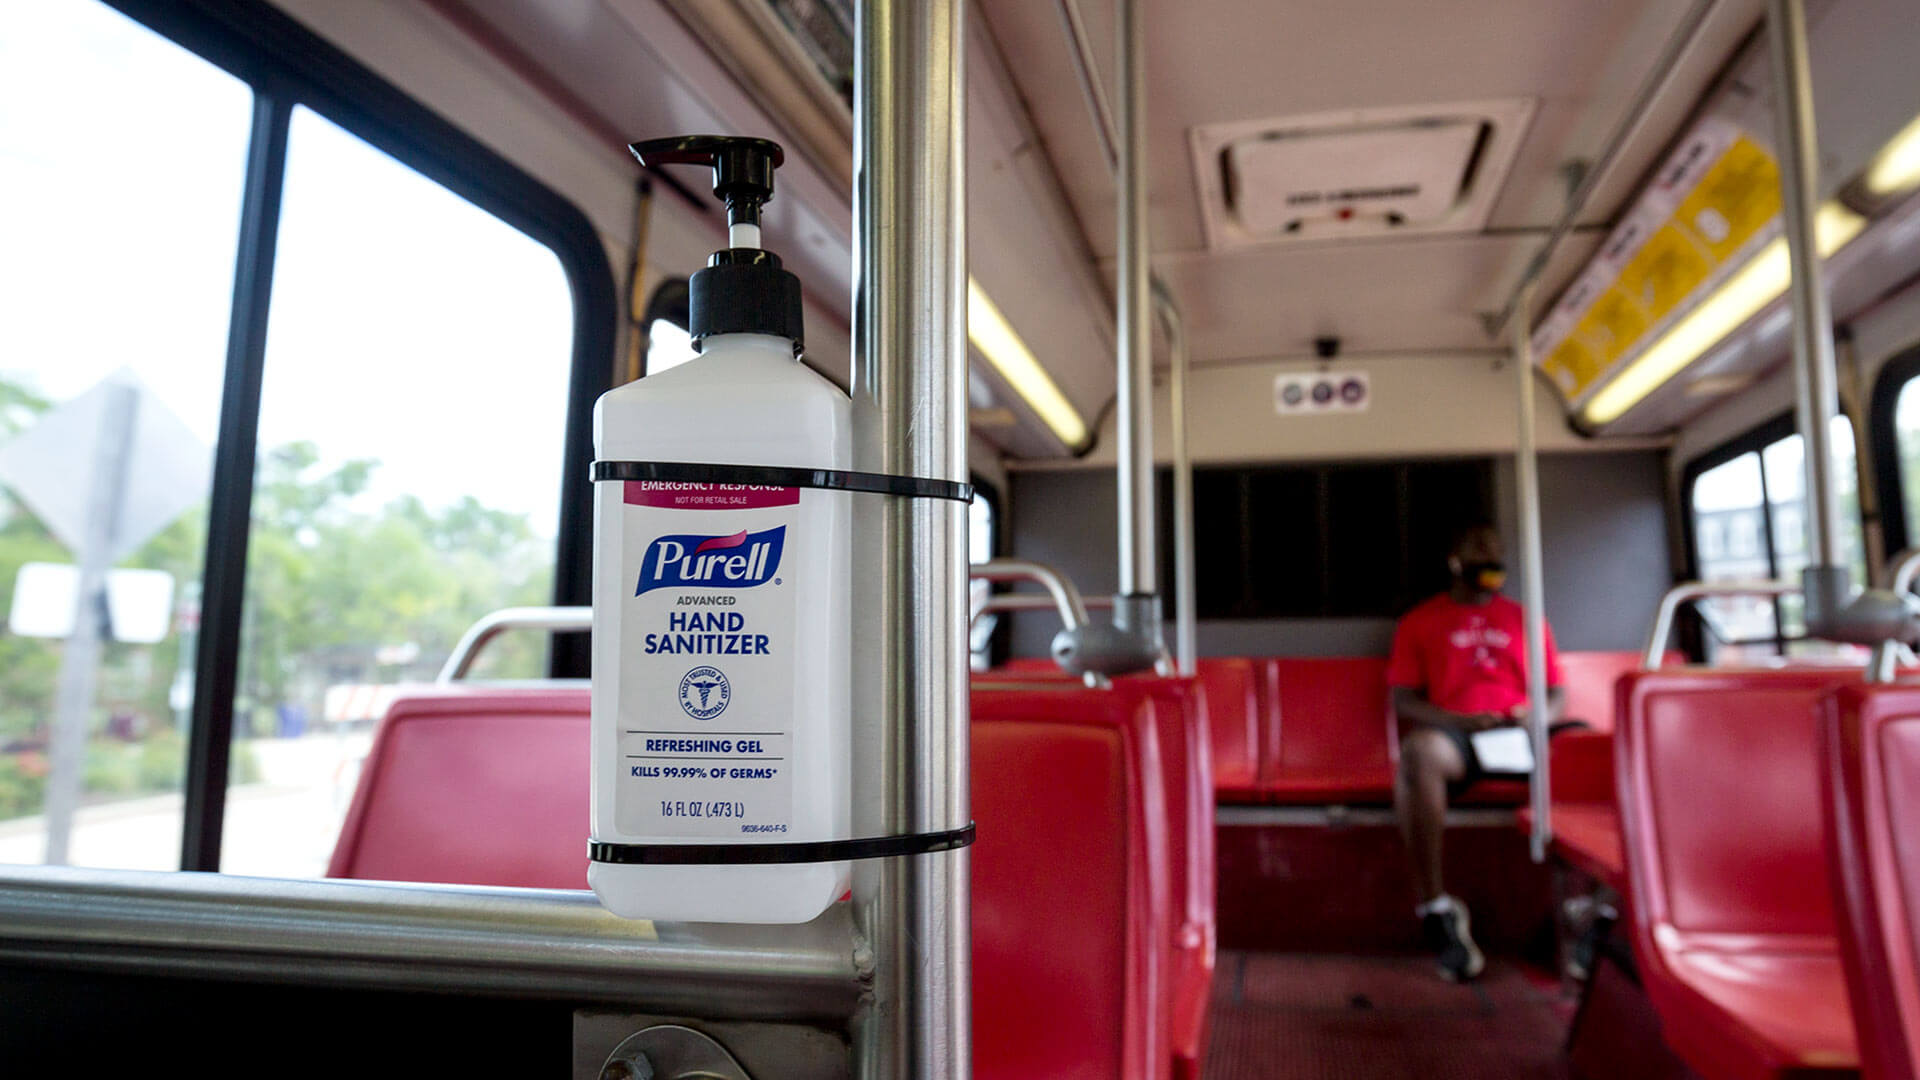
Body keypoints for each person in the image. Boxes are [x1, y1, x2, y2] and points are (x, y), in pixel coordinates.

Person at [1387, 523, 1564, 982]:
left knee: (1598, 752)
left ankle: (1593, 911)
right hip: (1460, 735)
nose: (1491, 565)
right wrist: (1461, 722)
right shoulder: (1421, 621)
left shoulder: (1528, 619)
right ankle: (1436, 907)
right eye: (1479, 556)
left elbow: (1556, 692)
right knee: (1418, 753)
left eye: (1496, 556)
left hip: (1520, 731)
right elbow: (1403, 699)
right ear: (1456, 562)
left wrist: (1536, 716)